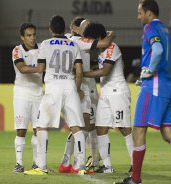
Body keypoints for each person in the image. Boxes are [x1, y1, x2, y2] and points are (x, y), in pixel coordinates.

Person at [115, 0, 171, 184]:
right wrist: (157, 71)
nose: (138, 16)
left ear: (148, 12)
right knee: (168, 132)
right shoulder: (165, 30)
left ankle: (135, 179)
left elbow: (158, 51)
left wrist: (150, 71)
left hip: (153, 86)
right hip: (167, 85)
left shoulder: (150, 28)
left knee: (138, 130)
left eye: (139, 12)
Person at [24, 15, 87, 175]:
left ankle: (41, 166)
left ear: (50, 29)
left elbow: (40, 68)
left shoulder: (45, 44)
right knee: (76, 127)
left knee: (41, 126)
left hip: (53, 87)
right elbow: (79, 72)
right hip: (69, 86)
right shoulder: (73, 45)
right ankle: (80, 166)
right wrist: (77, 89)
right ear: (64, 28)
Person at [59, 17, 115, 173]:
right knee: (83, 127)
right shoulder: (79, 40)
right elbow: (104, 43)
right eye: (85, 26)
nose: (88, 29)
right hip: (79, 86)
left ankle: (72, 161)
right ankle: (78, 163)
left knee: (83, 126)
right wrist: (112, 34)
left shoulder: (67, 39)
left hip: (75, 85)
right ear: (74, 28)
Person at [83, 22, 134, 174]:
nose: (92, 44)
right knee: (101, 128)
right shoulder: (103, 49)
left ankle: (135, 163)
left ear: (99, 38)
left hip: (118, 93)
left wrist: (84, 74)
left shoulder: (113, 48)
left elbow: (105, 71)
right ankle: (107, 166)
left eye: (93, 40)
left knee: (124, 128)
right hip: (105, 93)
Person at [11, 23, 43, 173]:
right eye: (28, 35)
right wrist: (39, 68)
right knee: (21, 129)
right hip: (22, 94)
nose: (32, 38)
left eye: (34, 35)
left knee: (38, 129)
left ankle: (36, 163)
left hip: (38, 94)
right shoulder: (17, 50)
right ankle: (19, 163)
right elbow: (22, 68)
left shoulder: (42, 49)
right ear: (22, 37)